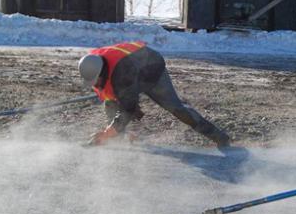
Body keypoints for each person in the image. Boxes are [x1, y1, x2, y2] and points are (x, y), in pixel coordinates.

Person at [78, 41, 230, 147]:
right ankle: (118, 138)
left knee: (177, 109)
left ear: (101, 72)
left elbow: (128, 109)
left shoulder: (121, 74)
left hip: (152, 73)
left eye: (96, 81)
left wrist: (107, 132)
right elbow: (118, 99)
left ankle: (219, 137)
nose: (95, 85)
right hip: (131, 73)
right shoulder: (92, 62)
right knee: (110, 102)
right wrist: (113, 129)